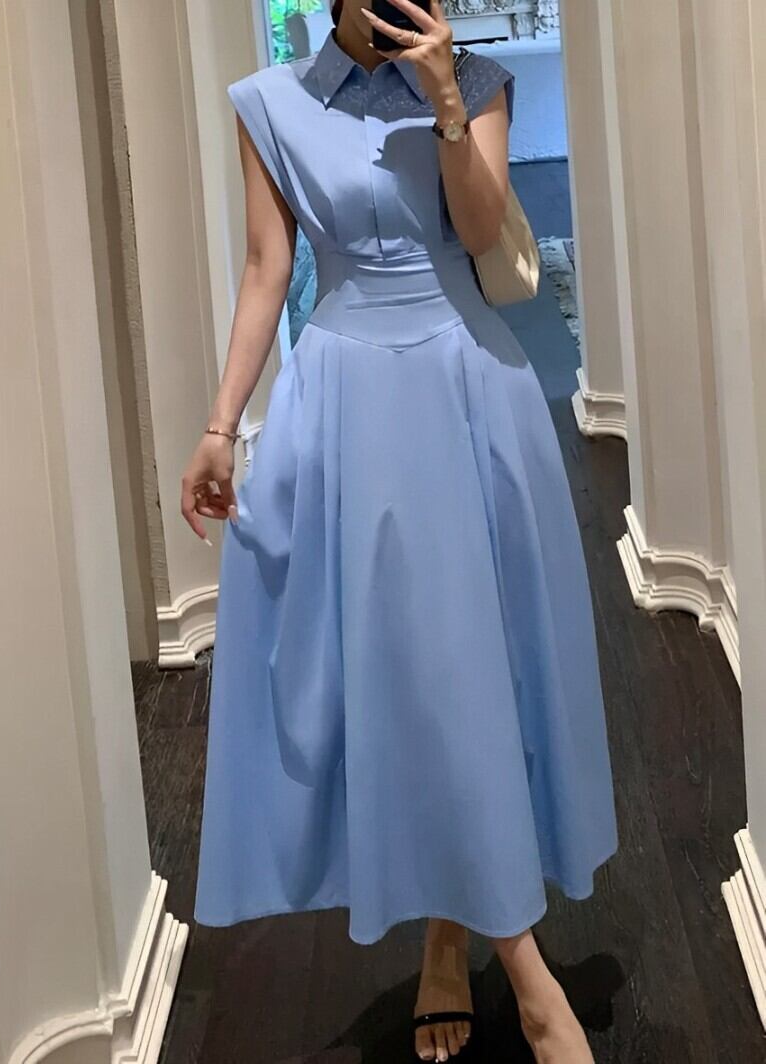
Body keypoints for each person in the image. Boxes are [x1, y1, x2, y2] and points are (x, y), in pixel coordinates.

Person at [183, 0, 619, 1060]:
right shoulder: (270, 103)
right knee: (407, 676)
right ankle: (519, 970)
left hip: (469, 389)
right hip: (349, 410)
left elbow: (480, 231)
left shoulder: (476, 84)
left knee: (474, 672)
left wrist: (446, 99)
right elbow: (267, 270)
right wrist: (220, 425)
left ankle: (451, 938)